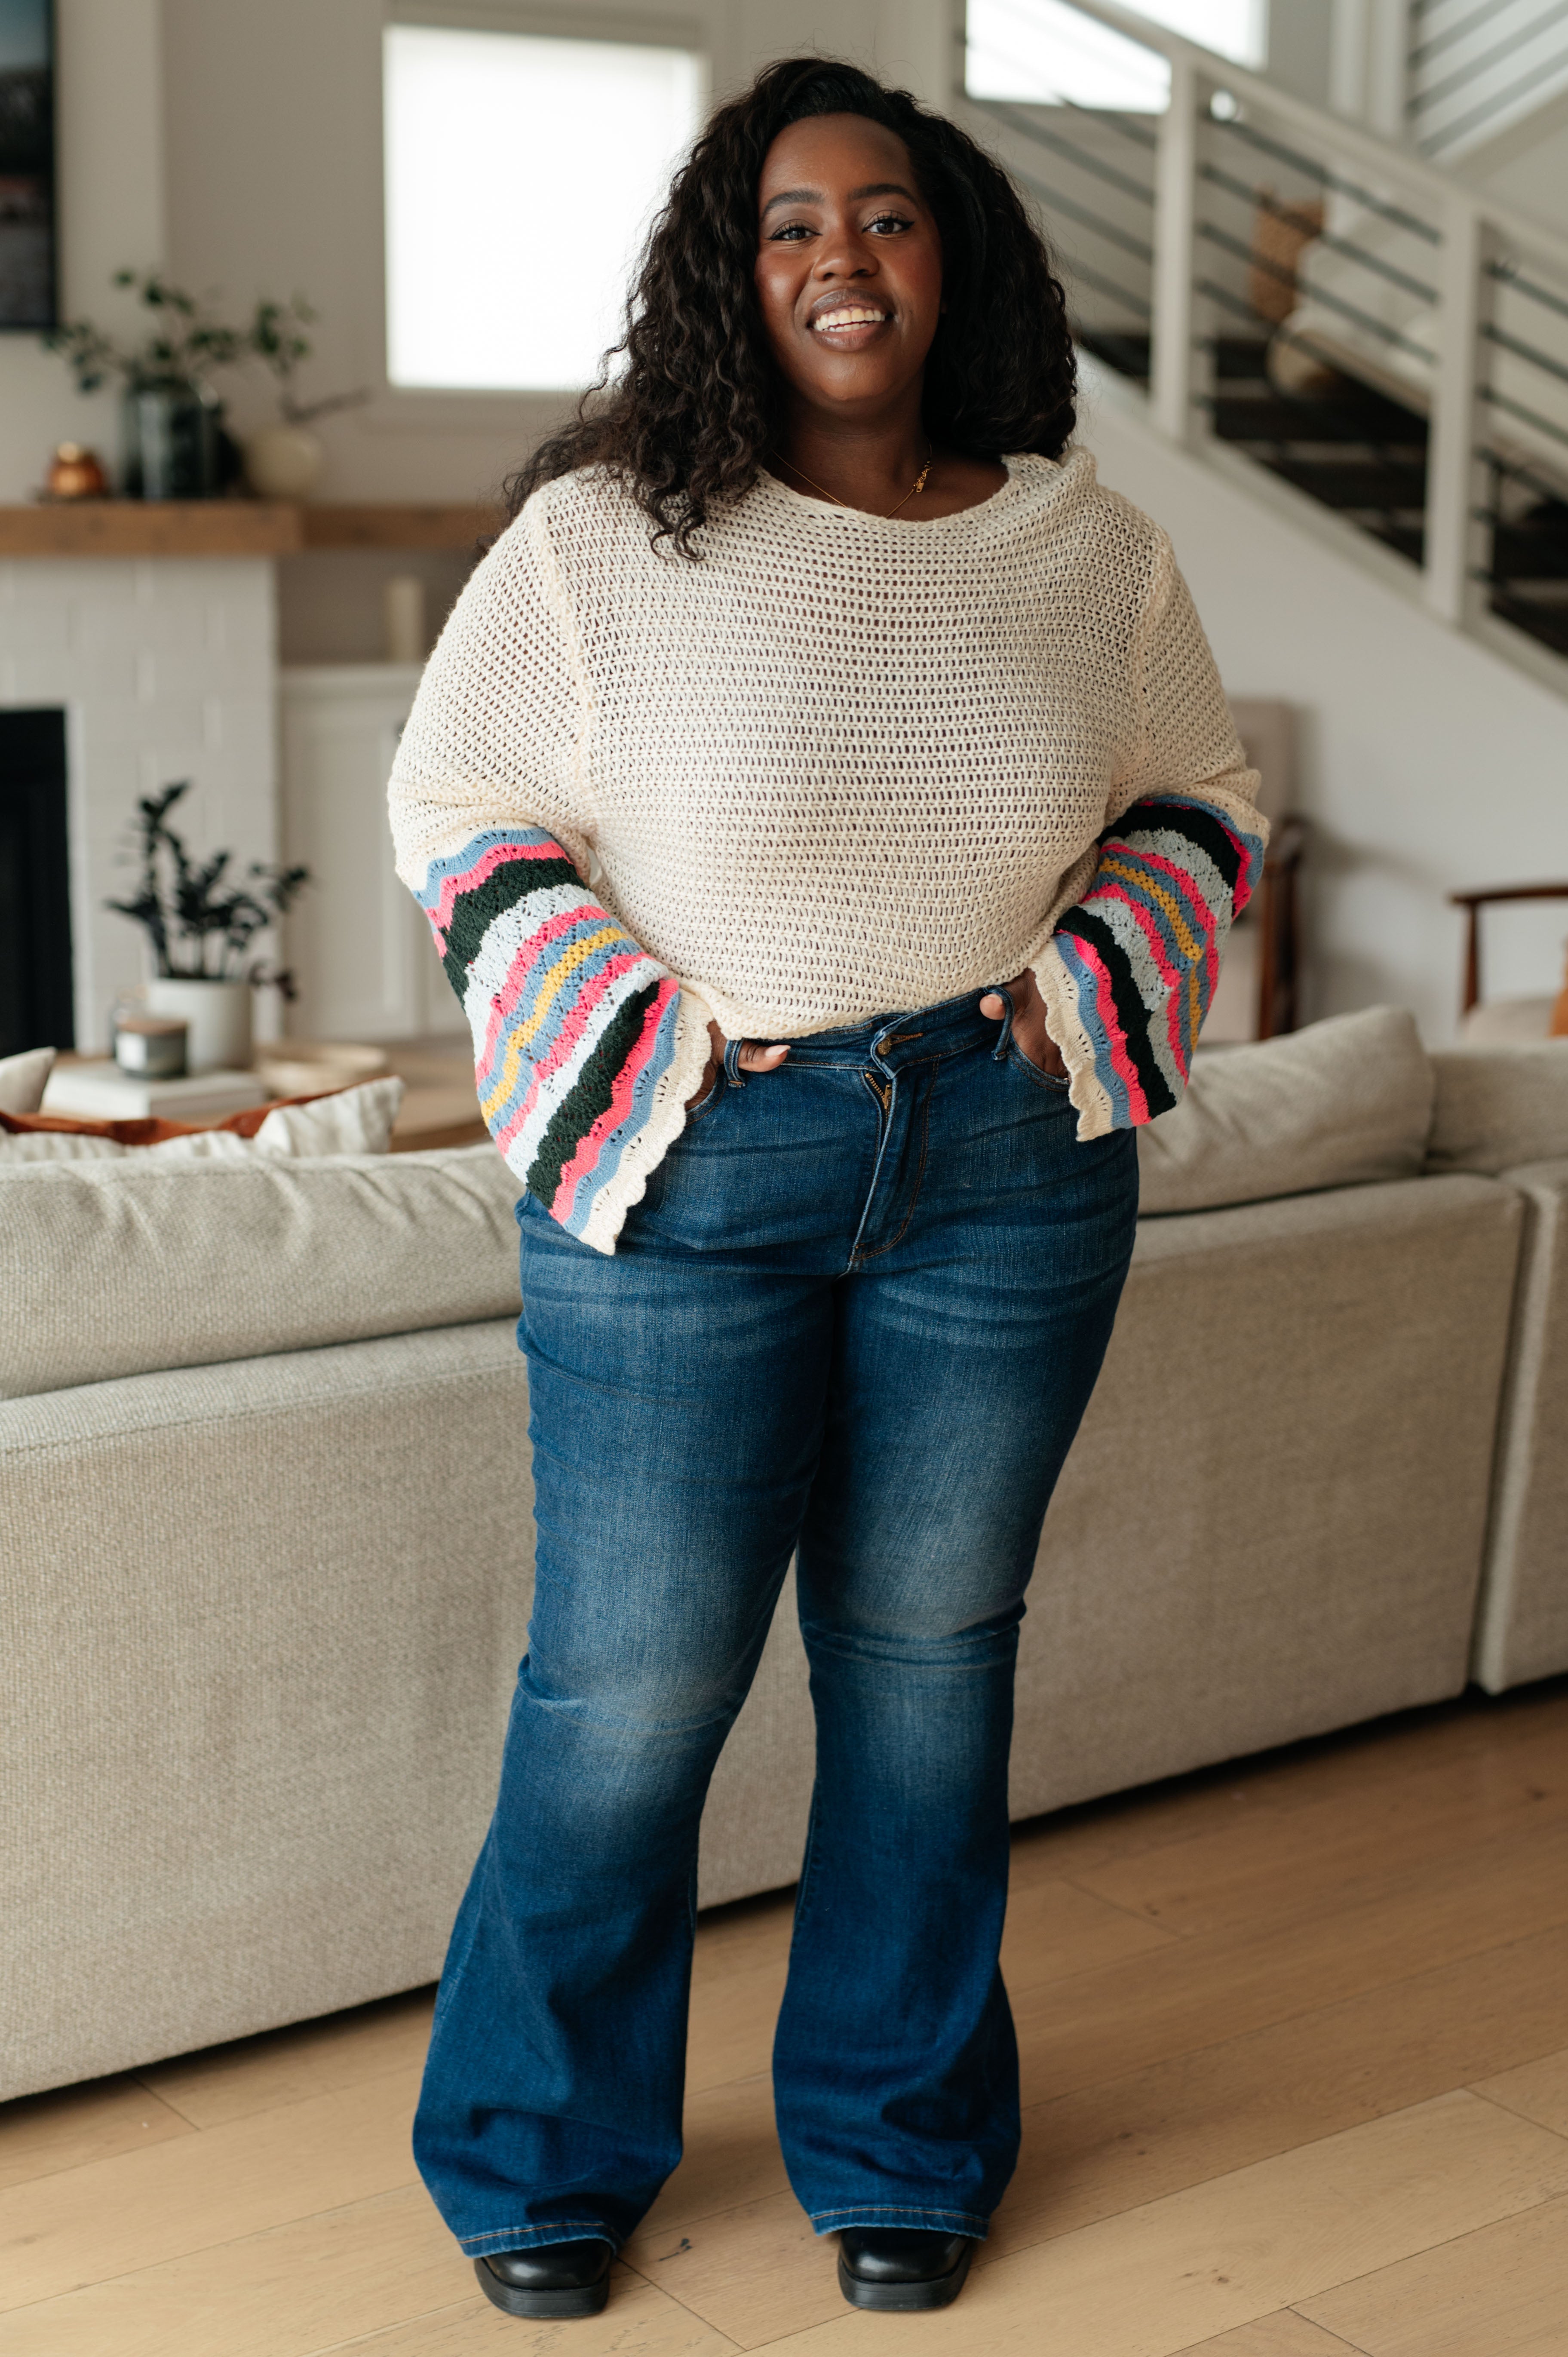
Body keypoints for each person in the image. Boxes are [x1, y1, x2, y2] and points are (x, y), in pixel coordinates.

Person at [387, 55, 1264, 2323]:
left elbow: (1202, 804)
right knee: (630, 1686)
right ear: (729, 275)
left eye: (880, 216)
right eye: (787, 226)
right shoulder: (602, 542)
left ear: (947, 250)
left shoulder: (1093, 554)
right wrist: (626, 1028)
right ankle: (536, 2147)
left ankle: (898, 2140)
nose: (838, 259)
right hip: (680, 1159)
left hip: (1002, 1164)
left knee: (927, 1677)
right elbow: (459, 811)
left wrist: (1088, 988)